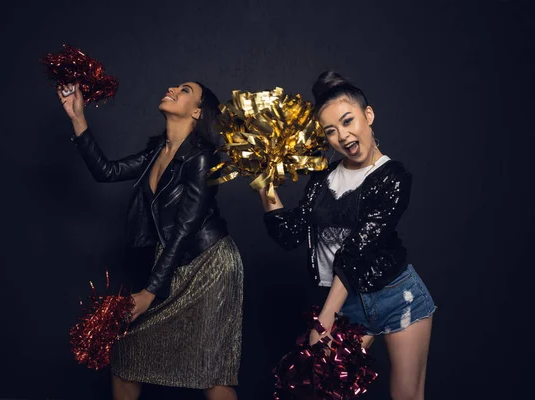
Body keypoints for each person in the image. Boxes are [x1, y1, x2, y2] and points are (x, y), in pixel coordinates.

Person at [58, 81, 243, 400]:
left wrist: (149, 292)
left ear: (197, 111)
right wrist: (78, 118)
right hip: (174, 263)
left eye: (185, 90)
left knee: (212, 369)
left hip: (210, 264)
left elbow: (185, 229)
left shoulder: (201, 158)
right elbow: (107, 171)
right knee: (127, 352)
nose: (173, 88)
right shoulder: (158, 150)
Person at [260, 71, 436, 400]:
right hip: (348, 303)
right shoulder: (323, 178)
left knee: (407, 396)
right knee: (327, 391)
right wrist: (263, 182)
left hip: (397, 296)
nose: (343, 135)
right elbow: (289, 234)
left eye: (348, 121)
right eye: (331, 130)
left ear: (367, 116)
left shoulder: (393, 177)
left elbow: (358, 250)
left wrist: (325, 318)